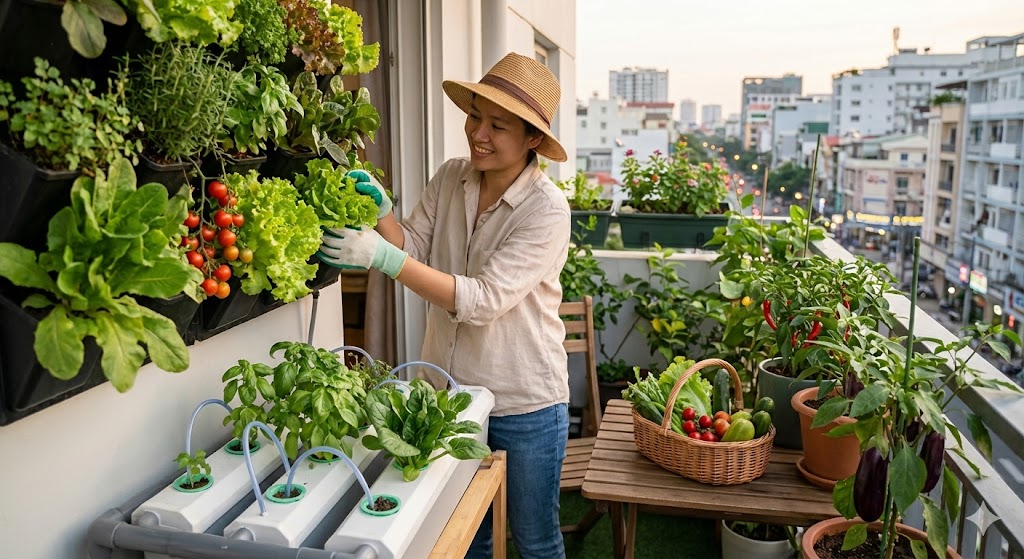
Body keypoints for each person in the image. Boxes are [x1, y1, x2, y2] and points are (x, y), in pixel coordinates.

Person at [318, 52, 571, 558]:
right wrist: (383, 213)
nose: (478, 132)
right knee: (463, 531)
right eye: (475, 114)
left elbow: (482, 300)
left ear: (533, 140)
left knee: (534, 539)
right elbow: (411, 246)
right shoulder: (452, 175)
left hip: (524, 403)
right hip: (448, 398)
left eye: (498, 125)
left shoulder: (547, 210)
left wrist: (382, 257)